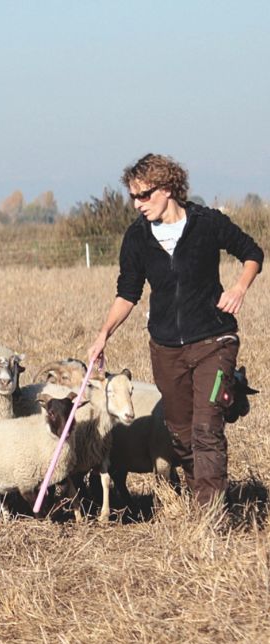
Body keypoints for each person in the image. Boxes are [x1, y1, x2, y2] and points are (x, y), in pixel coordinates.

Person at [87, 153, 263, 511]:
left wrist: (239, 288)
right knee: (181, 434)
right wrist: (104, 332)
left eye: (144, 195)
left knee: (206, 429)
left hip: (215, 340)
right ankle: (201, 493)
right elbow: (128, 292)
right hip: (166, 349)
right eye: (132, 197)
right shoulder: (136, 238)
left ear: (167, 189)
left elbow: (252, 252)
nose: (137, 204)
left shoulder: (206, 222)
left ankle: (209, 517)